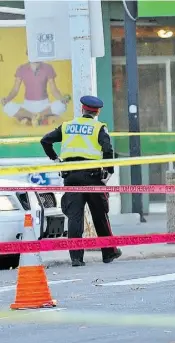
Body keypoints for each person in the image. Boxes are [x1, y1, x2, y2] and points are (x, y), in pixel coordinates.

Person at [39, 95, 122, 267]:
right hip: (92, 178)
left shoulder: (67, 126)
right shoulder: (98, 127)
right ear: (97, 111)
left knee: (74, 218)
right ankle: (108, 253)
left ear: (82, 109)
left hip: (71, 177)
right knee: (100, 216)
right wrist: (109, 171)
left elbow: (45, 141)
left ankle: (76, 258)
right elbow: (108, 149)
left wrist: (55, 159)